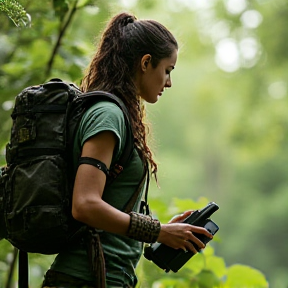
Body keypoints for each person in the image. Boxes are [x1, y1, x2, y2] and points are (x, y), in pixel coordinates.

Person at [42, 12, 213, 288]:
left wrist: (164, 230)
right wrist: (158, 231)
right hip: (83, 279)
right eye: (167, 70)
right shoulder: (108, 115)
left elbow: (107, 203)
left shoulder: (116, 114)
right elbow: (84, 204)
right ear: (146, 62)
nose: (168, 82)